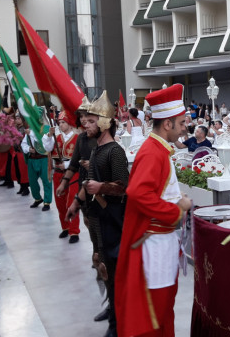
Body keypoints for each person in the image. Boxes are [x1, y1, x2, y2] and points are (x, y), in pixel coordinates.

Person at [115, 84, 193, 337]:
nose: (185, 127)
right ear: (167, 124)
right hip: (155, 245)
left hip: (163, 241)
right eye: (181, 122)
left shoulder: (159, 149)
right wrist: (176, 209)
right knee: (155, 313)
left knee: (164, 308)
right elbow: (138, 192)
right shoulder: (152, 152)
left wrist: (176, 199)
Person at [67, 92, 129, 337]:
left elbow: (123, 187)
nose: (86, 124)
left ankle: (117, 325)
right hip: (98, 218)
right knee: (102, 266)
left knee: (114, 272)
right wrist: (76, 202)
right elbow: (89, 183)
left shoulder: (115, 151)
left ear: (104, 123)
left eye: (92, 121)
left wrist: (101, 187)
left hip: (112, 221)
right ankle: (112, 311)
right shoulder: (96, 151)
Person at [50, 111, 81, 244]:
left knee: (72, 201)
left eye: (63, 122)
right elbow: (47, 148)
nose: (61, 125)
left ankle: (74, 231)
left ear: (69, 123)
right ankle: (65, 227)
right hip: (58, 173)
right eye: (59, 123)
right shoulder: (55, 137)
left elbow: (80, 157)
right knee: (60, 202)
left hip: (73, 174)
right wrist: (49, 136)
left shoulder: (77, 138)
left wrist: (67, 164)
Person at [21, 115, 55, 210]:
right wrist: (28, 149)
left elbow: (42, 141)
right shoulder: (30, 130)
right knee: (32, 181)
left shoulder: (47, 129)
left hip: (43, 159)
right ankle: (37, 198)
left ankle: (47, 202)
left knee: (46, 181)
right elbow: (23, 143)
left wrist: (31, 134)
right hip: (32, 159)